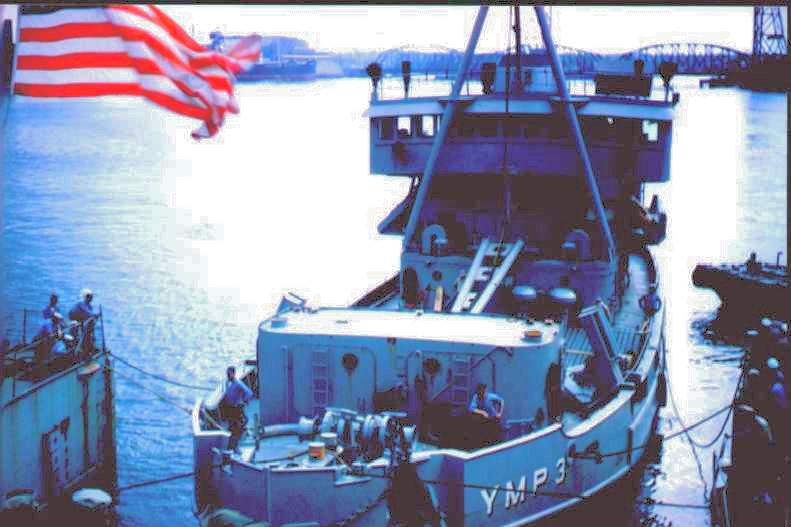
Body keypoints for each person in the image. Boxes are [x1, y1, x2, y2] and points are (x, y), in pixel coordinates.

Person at [220, 366, 253, 453]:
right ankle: (229, 445)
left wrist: (244, 401)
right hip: (228, 408)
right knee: (231, 426)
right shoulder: (226, 382)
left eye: (230, 374)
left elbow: (249, 393)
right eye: (227, 373)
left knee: (236, 428)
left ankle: (235, 446)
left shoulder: (238, 383)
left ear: (234, 374)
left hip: (236, 408)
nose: (228, 375)